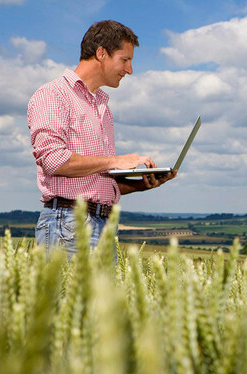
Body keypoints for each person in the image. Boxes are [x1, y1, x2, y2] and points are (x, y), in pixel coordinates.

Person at [27, 20, 176, 256]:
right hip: (68, 225)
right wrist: (115, 161)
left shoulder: (103, 107)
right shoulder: (53, 95)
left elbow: (94, 182)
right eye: (125, 60)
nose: (130, 70)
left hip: (104, 226)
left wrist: (141, 185)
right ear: (101, 53)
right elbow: (54, 161)